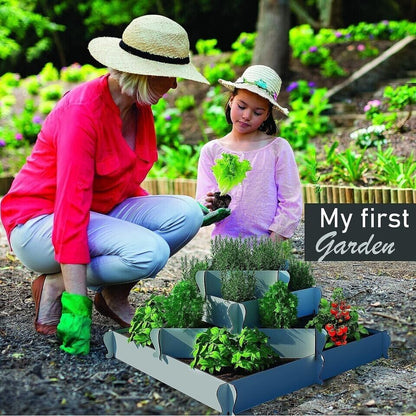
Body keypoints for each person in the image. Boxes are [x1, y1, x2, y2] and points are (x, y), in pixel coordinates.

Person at [0, 14, 210, 355]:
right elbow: (70, 209)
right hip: (40, 221)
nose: (173, 86)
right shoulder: (82, 113)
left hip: (96, 212)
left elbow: (123, 184)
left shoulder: (139, 108)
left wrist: (180, 214)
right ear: (144, 72)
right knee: (150, 252)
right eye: (169, 76)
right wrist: (76, 319)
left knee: (187, 213)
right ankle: (56, 285)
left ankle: (112, 296)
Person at [196, 65, 303, 241]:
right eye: (241, 106)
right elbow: (202, 202)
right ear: (231, 100)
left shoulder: (278, 149)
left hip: (268, 246)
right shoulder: (212, 151)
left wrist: (272, 245)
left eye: (257, 112)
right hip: (224, 246)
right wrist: (206, 204)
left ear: (267, 114)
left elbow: (291, 203)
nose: (246, 116)